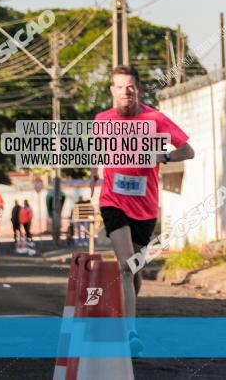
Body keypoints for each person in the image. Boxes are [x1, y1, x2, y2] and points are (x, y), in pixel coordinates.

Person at [91, 65, 194, 353]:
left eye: (130, 86)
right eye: (120, 86)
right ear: (112, 90)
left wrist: (164, 155)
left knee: (134, 269)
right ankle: (130, 333)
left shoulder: (155, 118)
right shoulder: (102, 120)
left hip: (145, 206)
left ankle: (127, 310)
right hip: (112, 200)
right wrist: (93, 176)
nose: (126, 91)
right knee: (125, 264)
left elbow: (189, 150)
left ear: (137, 89)